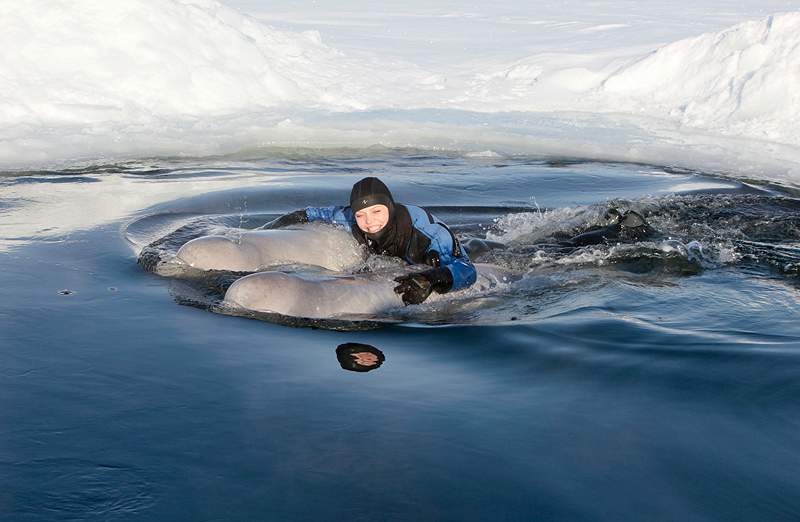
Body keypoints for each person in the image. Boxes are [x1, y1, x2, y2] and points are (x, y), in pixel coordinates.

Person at [266, 177, 477, 305]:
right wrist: (267, 230)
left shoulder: (429, 233)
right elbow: (310, 214)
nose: (369, 222)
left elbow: (467, 268)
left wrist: (431, 279)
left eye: (377, 211)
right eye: (361, 214)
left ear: (390, 207)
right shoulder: (348, 217)